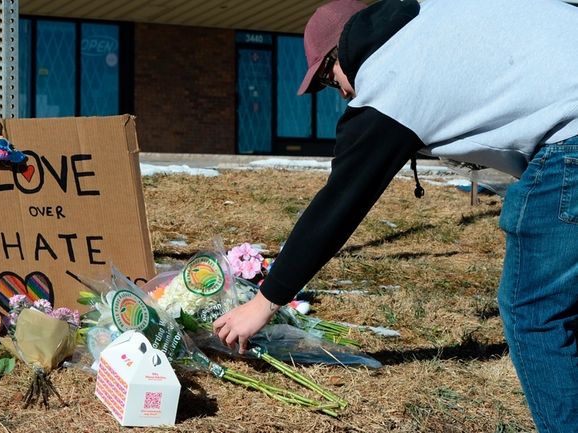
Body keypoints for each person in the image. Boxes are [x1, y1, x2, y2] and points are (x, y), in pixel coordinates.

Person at [212, 0, 578, 430]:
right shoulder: (431, 18)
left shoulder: (390, 80)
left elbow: (338, 206)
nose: (345, 94)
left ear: (342, 55)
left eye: (331, 82)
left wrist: (264, 302)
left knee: (534, 308)